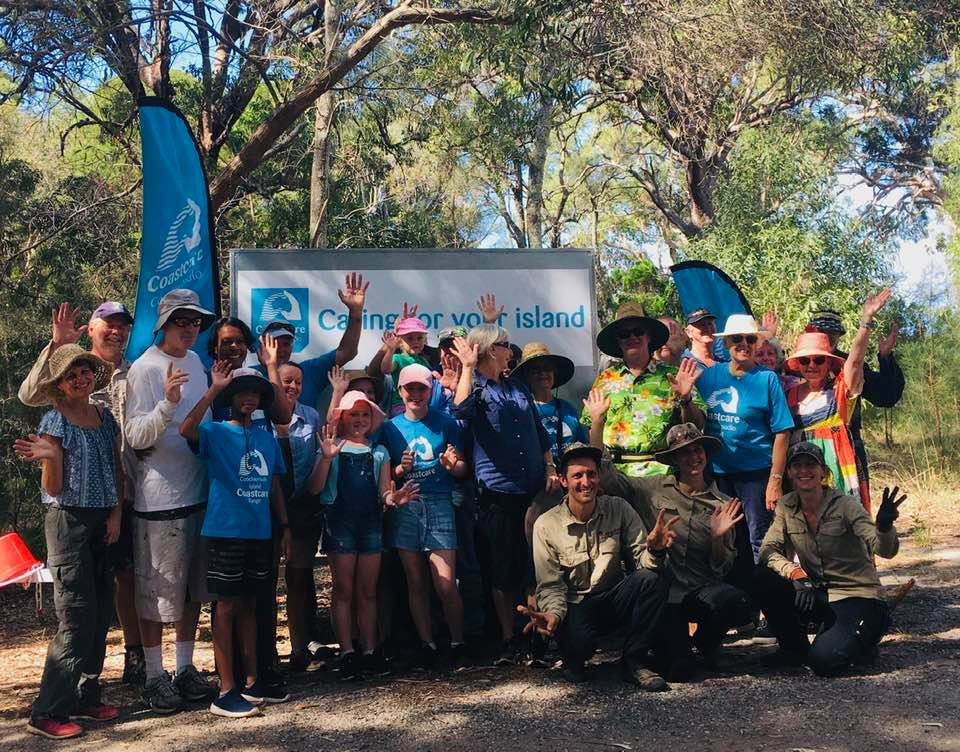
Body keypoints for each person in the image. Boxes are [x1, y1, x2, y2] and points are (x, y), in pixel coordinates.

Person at [18, 301, 145, 685]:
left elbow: (119, 457)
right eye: (108, 324)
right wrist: (56, 346)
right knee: (77, 609)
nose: (116, 331)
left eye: (122, 325)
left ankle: (95, 685)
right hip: (70, 512)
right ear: (91, 328)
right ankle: (55, 702)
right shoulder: (56, 408)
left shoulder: (128, 378)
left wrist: (117, 511)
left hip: (115, 501)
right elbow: (29, 396)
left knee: (108, 593)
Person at [15, 345, 122, 739]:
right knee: (76, 615)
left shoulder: (104, 417)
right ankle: (47, 711)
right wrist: (52, 458)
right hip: (69, 521)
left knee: (100, 612)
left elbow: (116, 468)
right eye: (71, 374)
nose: (80, 379)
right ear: (59, 383)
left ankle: (86, 695)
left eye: (85, 372)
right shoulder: (53, 421)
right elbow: (53, 488)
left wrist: (116, 514)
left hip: (102, 520)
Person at [124, 288, 218, 713]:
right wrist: (168, 403)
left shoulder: (197, 362)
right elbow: (136, 436)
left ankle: (183, 668)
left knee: (190, 591)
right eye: (182, 320)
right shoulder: (144, 369)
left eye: (196, 321)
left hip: (199, 492)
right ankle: (154, 675)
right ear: (163, 323)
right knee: (155, 593)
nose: (190, 328)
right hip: (159, 499)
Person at [599, 423, 752, 678]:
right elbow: (609, 481)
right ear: (674, 459)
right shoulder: (651, 488)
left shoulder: (722, 504)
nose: (693, 458)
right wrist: (597, 424)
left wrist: (717, 538)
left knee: (734, 602)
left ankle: (707, 640)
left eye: (697, 450)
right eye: (684, 453)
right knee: (679, 671)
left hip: (701, 592)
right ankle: (672, 648)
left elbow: (722, 568)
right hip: (666, 596)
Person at [180, 366, 291, 717]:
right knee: (226, 607)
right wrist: (213, 390)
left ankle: (252, 681)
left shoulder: (265, 436)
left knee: (250, 606)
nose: (249, 398)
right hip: (225, 531)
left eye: (255, 394)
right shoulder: (214, 431)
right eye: (242, 392)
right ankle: (225, 689)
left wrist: (284, 525)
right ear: (231, 397)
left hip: (259, 531)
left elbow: (273, 483)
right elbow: (186, 429)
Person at [519, 443, 677, 689]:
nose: (586, 482)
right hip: (574, 606)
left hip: (612, 598)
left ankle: (634, 662)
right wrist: (553, 614)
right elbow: (550, 584)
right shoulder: (546, 525)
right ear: (563, 481)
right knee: (579, 651)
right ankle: (572, 658)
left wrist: (655, 549)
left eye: (591, 474)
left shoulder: (618, 508)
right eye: (577, 476)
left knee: (653, 578)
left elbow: (641, 560)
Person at [451, 324, 557, 665]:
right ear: (488, 350)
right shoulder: (476, 388)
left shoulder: (517, 387)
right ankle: (511, 639)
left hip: (533, 489)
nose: (510, 350)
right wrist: (467, 367)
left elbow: (538, 431)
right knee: (502, 568)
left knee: (534, 563)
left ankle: (537, 635)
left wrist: (551, 466)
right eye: (505, 344)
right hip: (497, 492)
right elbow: (461, 410)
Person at [754, 442, 904, 676]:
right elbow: (767, 551)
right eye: (798, 465)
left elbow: (884, 550)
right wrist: (793, 572)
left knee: (825, 663)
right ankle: (795, 649)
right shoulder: (787, 506)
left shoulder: (845, 505)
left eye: (811, 465)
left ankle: (867, 635)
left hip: (856, 595)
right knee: (763, 578)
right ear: (790, 472)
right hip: (819, 593)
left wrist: (884, 527)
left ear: (823, 471)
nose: (805, 471)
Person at [310, 391, 419, 679]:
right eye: (353, 414)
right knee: (343, 589)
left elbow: (384, 491)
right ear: (341, 417)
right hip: (339, 523)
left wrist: (394, 499)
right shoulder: (332, 447)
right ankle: (347, 652)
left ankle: (370, 650)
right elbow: (315, 490)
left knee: (368, 591)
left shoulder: (379, 452)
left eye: (364, 414)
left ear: (372, 419)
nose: (359, 420)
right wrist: (325, 459)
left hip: (370, 524)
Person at [381, 364, 468, 668]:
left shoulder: (446, 423)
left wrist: (451, 466)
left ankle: (457, 641)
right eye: (410, 389)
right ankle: (427, 644)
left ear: (430, 391)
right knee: (415, 580)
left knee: (445, 582)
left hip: (439, 502)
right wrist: (401, 470)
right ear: (401, 392)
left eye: (421, 389)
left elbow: (461, 469)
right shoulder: (390, 427)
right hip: (407, 504)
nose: (416, 395)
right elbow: (386, 473)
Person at [694, 313, 793, 568]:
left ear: (757, 343)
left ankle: (768, 599)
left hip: (755, 475)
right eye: (737, 338)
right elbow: (696, 420)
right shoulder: (709, 377)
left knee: (759, 539)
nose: (744, 344)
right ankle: (736, 603)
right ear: (726, 343)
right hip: (718, 475)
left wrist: (775, 480)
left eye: (750, 339)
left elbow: (783, 431)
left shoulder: (766, 379)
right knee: (725, 539)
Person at [784, 291, 892, 511]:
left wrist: (866, 320)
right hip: (801, 472)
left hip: (838, 467)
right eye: (805, 360)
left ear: (829, 363)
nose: (812, 365)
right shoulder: (790, 393)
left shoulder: (841, 390)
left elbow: (855, 362)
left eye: (819, 359)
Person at [582, 303, 704, 478]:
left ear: (648, 336)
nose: (632, 337)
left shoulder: (673, 376)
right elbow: (592, 432)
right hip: (615, 476)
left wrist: (685, 399)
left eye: (638, 332)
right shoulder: (605, 380)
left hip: (662, 475)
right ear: (618, 341)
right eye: (624, 334)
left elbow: (697, 426)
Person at [806, 301, 904, 492]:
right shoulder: (797, 363)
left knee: (851, 507)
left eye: (832, 333)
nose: (828, 337)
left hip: (847, 445)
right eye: (822, 332)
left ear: (839, 337)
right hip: (805, 447)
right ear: (811, 332)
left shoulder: (850, 365)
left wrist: (885, 357)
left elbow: (886, 396)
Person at [274, 362, 327, 672]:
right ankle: (266, 649)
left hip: (304, 508)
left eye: (297, 382)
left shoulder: (311, 416)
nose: (292, 387)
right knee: (267, 583)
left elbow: (321, 455)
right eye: (286, 381)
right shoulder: (260, 414)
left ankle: (298, 647)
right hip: (267, 509)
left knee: (298, 578)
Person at [255, 272, 369, 410]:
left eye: (286, 344)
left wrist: (355, 314)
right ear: (261, 346)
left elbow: (347, 352)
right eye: (274, 342)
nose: (280, 349)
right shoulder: (251, 376)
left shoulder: (308, 371)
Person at [510, 342, 587, 543]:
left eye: (547, 369)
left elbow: (583, 446)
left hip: (570, 488)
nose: (542, 374)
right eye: (535, 370)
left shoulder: (568, 408)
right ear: (526, 376)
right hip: (534, 490)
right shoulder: (521, 409)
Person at [381, 317, 431, 416]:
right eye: (410, 338)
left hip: (421, 403)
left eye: (419, 338)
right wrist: (390, 350)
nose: (415, 341)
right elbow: (385, 369)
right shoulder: (397, 358)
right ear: (400, 342)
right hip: (401, 404)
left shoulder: (423, 361)